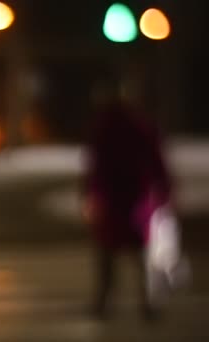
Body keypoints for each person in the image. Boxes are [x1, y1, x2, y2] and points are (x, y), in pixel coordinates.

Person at [82, 82, 172, 321]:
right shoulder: (140, 125)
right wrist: (164, 189)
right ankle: (145, 302)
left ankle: (105, 301)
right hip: (135, 195)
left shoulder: (107, 127)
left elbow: (95, 165)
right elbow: (156, 160)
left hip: (118, 196)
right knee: (138, 251)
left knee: (109, 252)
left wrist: (91, 193)